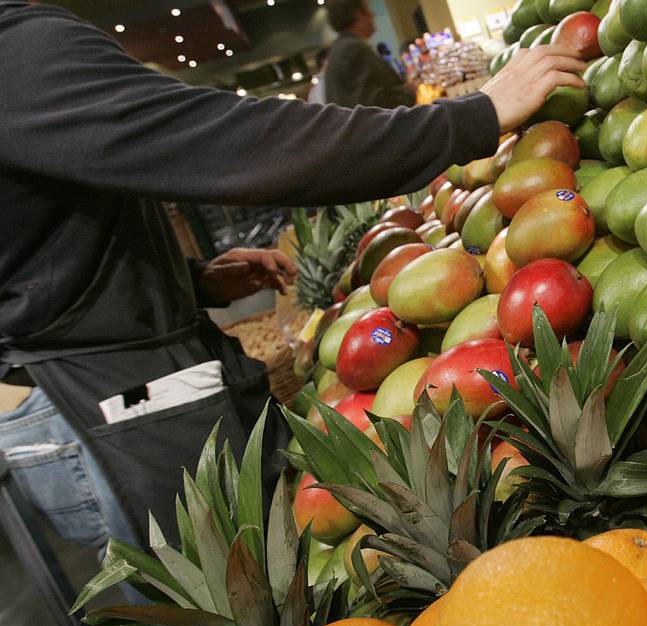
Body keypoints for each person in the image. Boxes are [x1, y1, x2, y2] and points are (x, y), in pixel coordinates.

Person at [0, 0, 586, 548]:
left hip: (83, 386)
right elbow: (232, 142)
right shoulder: (17, 50)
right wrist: (468, 119)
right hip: (98, 396)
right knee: (232, 613)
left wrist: (190, 277)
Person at [322, 0, 416, 108]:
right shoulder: (352, 49)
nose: (373, 14)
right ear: (358, 15)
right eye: (368, 10)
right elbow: (372, 104)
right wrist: (410, 90)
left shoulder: (340, 48)